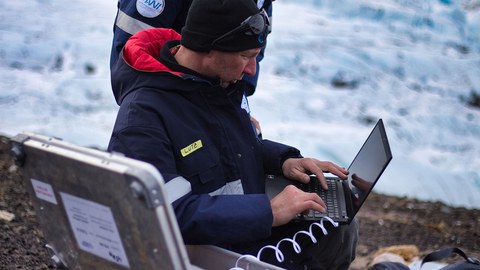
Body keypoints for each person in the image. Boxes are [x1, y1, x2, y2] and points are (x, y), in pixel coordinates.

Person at [107, 0, 358, 268]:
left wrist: (284, 161)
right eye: (245, 57)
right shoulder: (143, 117)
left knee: (339, 222)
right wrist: (268, 212)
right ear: (209, 48)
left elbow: (229, 148)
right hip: (212, 255)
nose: (252, 70)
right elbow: (163, 212)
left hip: (238, 235)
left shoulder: (213, 85)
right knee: (331, 233)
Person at [109, 0, 273, 97]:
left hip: (212, 101)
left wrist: (234, 108)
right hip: (162, 100)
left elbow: (252, 49)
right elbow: (132, 59)